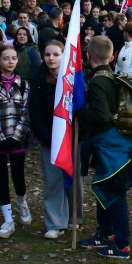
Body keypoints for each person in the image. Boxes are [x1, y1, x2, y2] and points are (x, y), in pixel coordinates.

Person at [78, 36, 132, 258]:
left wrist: (80, 112)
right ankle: (105, 233)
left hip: (110, 144)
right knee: (105, 189)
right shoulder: (111, 76)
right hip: (111, 142)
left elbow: (101, 116)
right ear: (112, 56)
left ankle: (122, 243)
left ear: (88, 56)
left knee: (114, 191)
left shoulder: (99, 81)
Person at [27, 40, 82, 239]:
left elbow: (81, 108)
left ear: (63, 55)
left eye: (56, 54)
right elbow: (34, 111)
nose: (51, 58)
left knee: (73, 178)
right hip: (49, 138)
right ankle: (55, 222)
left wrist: (78, 133)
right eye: (48, 54)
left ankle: (74, 216)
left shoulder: (73, 79)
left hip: (72, 137)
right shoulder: (38, 79)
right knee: (52, 180)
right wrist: (46, 136)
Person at [0, 44, 32, 239]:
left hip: (17, 140)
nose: (10, 62)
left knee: (18, 176)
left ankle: (22, 202)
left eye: (13, 58)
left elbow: (26, 112)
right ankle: (7, 218)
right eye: (5, 58)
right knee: (1, 179)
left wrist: (17, 136)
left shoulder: (24, 85)